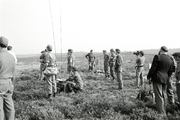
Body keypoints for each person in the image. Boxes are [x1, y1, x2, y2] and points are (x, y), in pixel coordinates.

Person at [147, 46, 174, 115]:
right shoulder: (170, 59)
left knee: (158, 96)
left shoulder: (157, 57)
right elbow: (171, 71)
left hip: (157, 78)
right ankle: (164, 109)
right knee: (163, 94)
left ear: (161, 50)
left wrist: (149, 76)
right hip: (165, 79)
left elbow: (153, 68)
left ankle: (161, 114)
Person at [0, 36, 15, 119]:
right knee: (9, 107)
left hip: (0, 82)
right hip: (9, 83)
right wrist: (13, 85)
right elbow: (14, 73)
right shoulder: (11, 56)